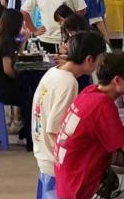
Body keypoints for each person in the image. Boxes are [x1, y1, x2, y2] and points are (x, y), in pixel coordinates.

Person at [53, 52, 124, 199]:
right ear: (117, 80)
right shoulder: (103, 105)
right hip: (80, 186)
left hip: (67, 177)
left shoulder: (90, 92)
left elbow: (115, 130)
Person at [31, 32, 107, 175]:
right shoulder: (69, 82)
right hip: (54, 161)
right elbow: (54, 130)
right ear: (89, 59)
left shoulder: (53, 71)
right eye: (100, 60)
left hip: (42, 153)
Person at [0, 8, 26, 134]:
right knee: (27, 91)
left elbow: (16, 56)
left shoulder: (0, 36)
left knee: (23, 87)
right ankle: (18, 125)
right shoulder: (6, 41)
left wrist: (23, 41)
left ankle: (16, 122)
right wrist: (18, 78)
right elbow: (7, 69)